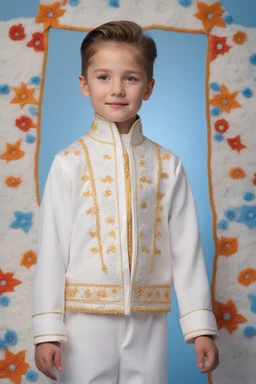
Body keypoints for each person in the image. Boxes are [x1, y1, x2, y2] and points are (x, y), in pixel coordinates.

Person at [32, 20, 219, 383]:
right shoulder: (69, 162)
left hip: (148, 319)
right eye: (104, 77)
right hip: (83, 320)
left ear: (148, 87)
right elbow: (52, 249)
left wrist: (200, 327)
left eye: (130, 78)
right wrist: (48, 331)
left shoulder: (168, 165)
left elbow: (186, 249)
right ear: (84, 84)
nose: (117, 89)